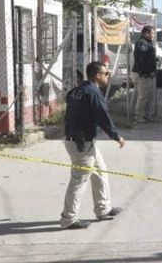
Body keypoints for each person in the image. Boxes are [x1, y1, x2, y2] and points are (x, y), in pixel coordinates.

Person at [60, 62, 126, 230]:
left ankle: (103, 209)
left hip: (79, 141)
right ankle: (69, 219)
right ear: (97, 75)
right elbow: (103, 117)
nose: (107, 76)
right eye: (105, 73)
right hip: (82, 144)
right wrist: (116, 136)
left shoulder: (76, 92)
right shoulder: (93, 93)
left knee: (100, 172)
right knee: (79, 180)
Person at [132, 25, 157, 123]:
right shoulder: (142, 43)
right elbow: (143, 60)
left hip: (148, 74)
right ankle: (139, 116)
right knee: (143, 96)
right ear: (147, 33)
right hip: (143, 74)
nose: (153, 35)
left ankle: (147, 115)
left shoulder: (148, 43)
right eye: (152, 33)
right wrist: (147, 71)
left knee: (150, 96)